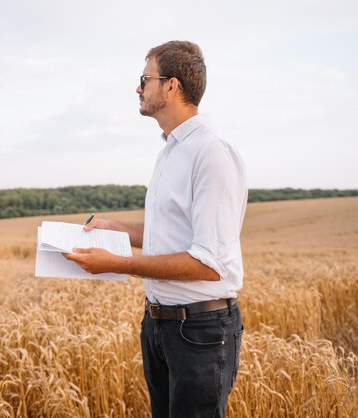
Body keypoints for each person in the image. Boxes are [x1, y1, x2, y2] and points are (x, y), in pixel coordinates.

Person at [63, 40, 247, 417]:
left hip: (200, 330)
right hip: (160, 326)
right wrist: (115, 228)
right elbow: (170, 233)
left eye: (144, 78)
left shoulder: (210, 153)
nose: (138, 88)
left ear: (171, 86)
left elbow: (209, 264)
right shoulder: (170, 152)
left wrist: (118, 263)